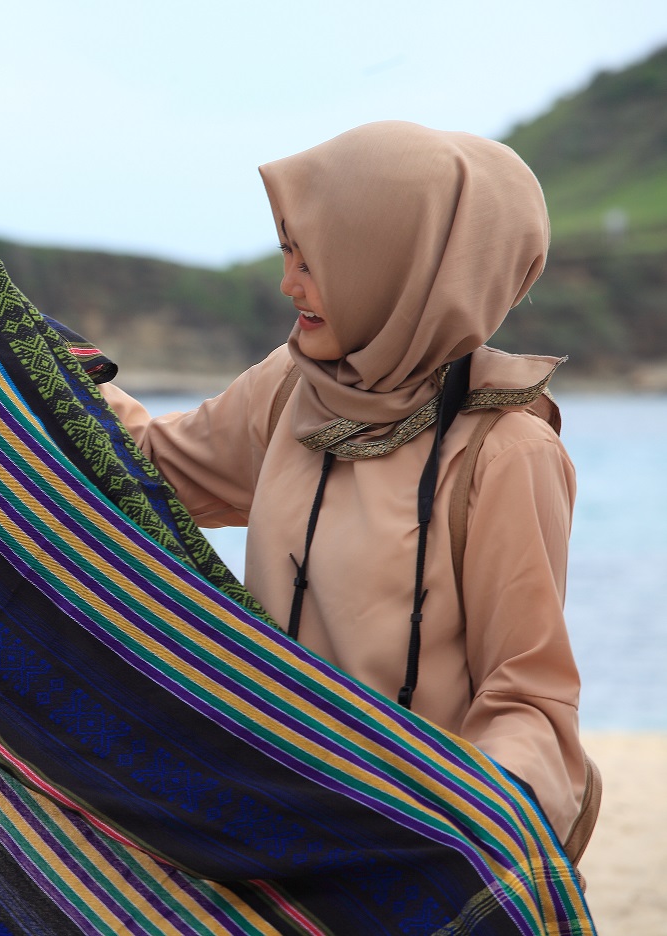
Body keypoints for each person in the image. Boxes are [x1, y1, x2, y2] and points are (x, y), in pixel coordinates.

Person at [101, 120, 591, 849]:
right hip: (266, 825)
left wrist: (474, 826)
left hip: (410, 846)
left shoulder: (505, 451)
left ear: (399, 262)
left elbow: (527, 694)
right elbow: (141, 466)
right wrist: (21, 359)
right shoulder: (291, 389)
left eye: (315, 258)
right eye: (287, 252)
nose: (287, 283)